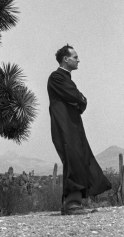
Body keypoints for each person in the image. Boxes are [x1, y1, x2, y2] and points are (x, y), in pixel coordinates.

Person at [47, 45, 111, 215]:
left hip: (73, 126)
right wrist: (81, 99)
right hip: (65, 126)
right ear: (65, 59)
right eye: (75, 57)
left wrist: (79, 100)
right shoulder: (56, 77)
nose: (78, 60)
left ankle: (74, 203)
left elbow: (76, 99)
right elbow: (75, 97)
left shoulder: (65, 78)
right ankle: (71, 204)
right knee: (73, 158)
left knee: (80, 158)